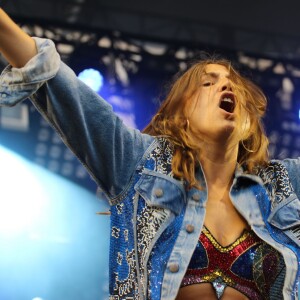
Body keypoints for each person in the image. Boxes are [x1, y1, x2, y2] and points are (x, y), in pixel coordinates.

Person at [0, 8, 299, 300]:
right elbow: (54, 80)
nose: (225, 83)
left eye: (232, 84)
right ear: (181, 114)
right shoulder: (140, 165)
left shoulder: (281, 185)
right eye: (208, 83)